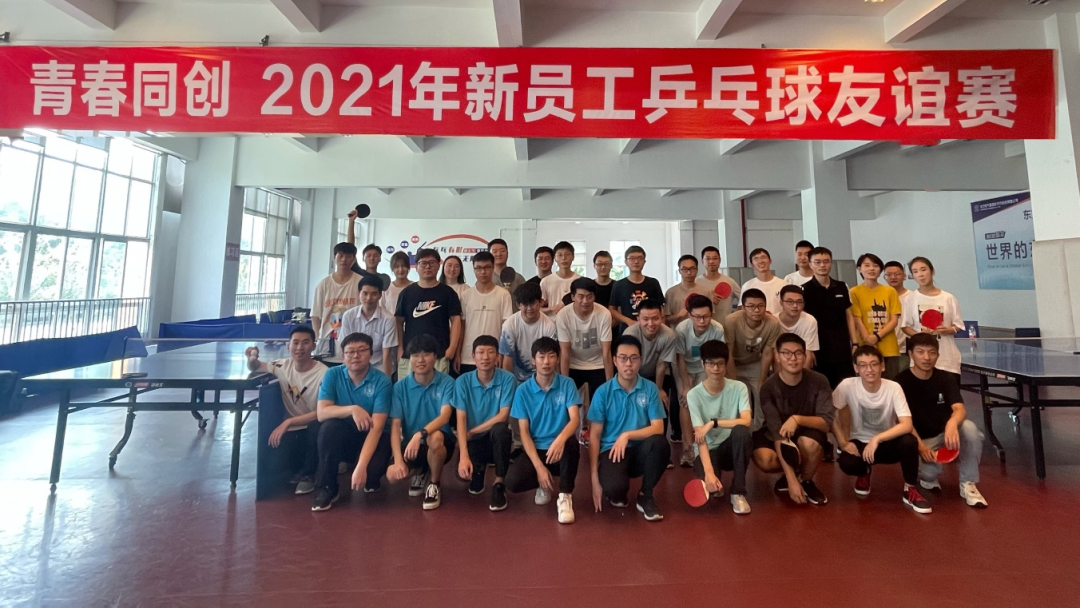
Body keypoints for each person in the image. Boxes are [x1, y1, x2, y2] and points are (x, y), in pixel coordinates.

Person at [832, 345, 931, 514]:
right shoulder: (847, 386)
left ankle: (910, 489)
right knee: (847, 463)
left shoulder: (893, 387)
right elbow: (830, 413)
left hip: (887, 443)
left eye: (874, 364)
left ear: (882, 366)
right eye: (863, 365)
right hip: (860, 442)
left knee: (909, 442)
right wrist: (843, 442)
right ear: (856, 368)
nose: (869, 370)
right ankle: (864, 472)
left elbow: (906, 424)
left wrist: (877, 439)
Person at [896, 333, 988, 508]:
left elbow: (959, 409)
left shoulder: (946, 378)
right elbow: (902, 422)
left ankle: (968, 483)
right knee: (929, 474)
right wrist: (921, 447)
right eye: (920, 352)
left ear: (938, 355)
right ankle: (928, 476)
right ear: (911, 354)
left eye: (931, 352)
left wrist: (952, 423)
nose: (926, 357)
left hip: (945, 434)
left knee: (969, 429)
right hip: (921, 439)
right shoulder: (900, 383)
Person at [309, 332, 394, 511]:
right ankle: (328, 487)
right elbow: (322, 413)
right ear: (343, 356)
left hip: (372, 434)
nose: (355, 356)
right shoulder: (332, 374)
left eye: (361, 350)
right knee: (327, 428)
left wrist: (362, 466)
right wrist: (353, 409)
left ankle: (361, 466)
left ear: (371, 354)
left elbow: (377, 428)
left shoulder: (382, 381)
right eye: (350, 352)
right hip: (345, 431)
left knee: (371, 477)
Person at [587, 335, 669, 521]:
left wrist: (627, 435)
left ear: (640, 360)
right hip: (612, 450)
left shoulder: (650, 389)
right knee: (615, 490)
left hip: (640, 450)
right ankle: (614, 486)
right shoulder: (603, 392)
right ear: (615, 360)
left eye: (634, 358)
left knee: (660, 444)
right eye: (623, 358)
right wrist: (594, 480)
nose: (628, 364)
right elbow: (594, 436)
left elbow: (658, 428)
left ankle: (645, 495)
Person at [505, 337, 582, 524]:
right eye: (541, 357)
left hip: (560, 448)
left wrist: (560, 440)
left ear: (558, 359)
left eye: (551, 356)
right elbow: (524, 432)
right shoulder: (523, 391)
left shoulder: (567, 384)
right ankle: (543, 485)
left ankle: (565, 496)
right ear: (533, 360)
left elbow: (575, 420)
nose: (546, 362)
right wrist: (539, 467)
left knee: (572, 443)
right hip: (536, 449)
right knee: (513, 482)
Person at [245, 326, 327, 496]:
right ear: (288, 346)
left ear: (313, 345)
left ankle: (309, 475)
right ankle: (301, 466)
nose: (300, 347)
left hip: (314, 427)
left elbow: (322, 412)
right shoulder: (282, 365)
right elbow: (255, 367)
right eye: (295, 343)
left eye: (305, 342)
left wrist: (288, 422)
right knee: (274, 466)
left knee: (317, 428)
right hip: (292, 431)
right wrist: (251, 357)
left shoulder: (325, 373)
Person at [751, 333, 832, 506]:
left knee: (809, 444)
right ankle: (794, 473)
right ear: (778, 356)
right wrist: (790, 479)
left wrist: (797, 419)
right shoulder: (768, 387)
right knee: (764, 459)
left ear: (805, 355)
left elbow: (826, 423)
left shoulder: (819, 380)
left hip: (806, 432)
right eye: (786, 353)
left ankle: (806, 480)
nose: (793, 358)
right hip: (777, 434)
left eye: (798, 353)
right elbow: (777, 434)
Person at [387, 335, 457, 510]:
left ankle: (434, 484)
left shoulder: (447, 382)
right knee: (392, 475)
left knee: (435, 437)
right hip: (412, 445)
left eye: (426, 354)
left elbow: (445, 416)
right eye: (415, 355)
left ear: (435, 357)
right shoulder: (400, 387)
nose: (421, 360)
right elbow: (395, 426)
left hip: (441, 442)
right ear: (410, 358)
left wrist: (420, 434)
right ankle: (421, 471)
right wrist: (398, 460)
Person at [687, 340, 753, 515]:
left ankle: (738, 492)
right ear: (703, 364)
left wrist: (714, 423)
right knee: (713, 490)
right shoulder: (693, 395)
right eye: (710, 363)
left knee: (742, 432)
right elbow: (700, 437)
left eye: (720, 363)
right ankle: (714, 477)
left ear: (726, 364)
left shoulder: (739, 388)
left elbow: (746, 421)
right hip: (708, 450)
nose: (715, 368)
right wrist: (709, 473)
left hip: (729, 448)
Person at [454, 335, 518, 511]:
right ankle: (479, 470)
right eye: (480, 352)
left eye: (490, 352)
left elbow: (503, 416)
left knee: (501, 430)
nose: (485, 357)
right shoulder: (462, 382)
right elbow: (461, 419)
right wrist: (463, 456)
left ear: (497, 356)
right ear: (473, 356)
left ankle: (499, 484)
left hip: (494, 438)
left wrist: (473, 431)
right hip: (473, 441)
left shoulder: (507, 379)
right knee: (463, 476)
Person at [674, 294, 728, 466]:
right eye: (697, 317)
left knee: (705, 400)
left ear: (712, 314)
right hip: (685, 367)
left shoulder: (717, 329)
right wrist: (686, 386)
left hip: (706, 367)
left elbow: (719, 356)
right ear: (689, 315)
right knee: (685, 401)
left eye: (706, 316)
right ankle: (688, 447)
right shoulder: (682, 329)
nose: (702, 321)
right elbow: (680, 358)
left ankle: (706, 446)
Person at [394, 248, 462, 379]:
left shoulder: (448, 293)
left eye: (432, 263)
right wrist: (400, 348)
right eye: (423, 263)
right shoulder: (406, 293)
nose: (427, 267)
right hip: (410, 354)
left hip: (439, 354)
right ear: (416, 267)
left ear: (438, 265)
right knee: (408, 390)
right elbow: (398, 322)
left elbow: (456, 320)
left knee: (438, 390)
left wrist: (452, 348)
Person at [722, 288, 783, 431]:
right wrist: (733, 379)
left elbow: (767, 353)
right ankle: (739, 430)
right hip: (733, 363)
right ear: (743, 308)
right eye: (751, 306)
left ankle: (759, 430)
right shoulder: (731, 321)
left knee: (762, 393)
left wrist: (762, 380)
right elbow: (728, 352)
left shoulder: (773, 324)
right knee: (738, 396)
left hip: (754, 362)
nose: (756, 310)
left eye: (760, 306)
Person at [900, 257, 964, 385]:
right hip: (920, 362)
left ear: (932, 271)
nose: (920, 274)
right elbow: (905, 326)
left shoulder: (948, 298)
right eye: (915, 271)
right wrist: (920, 336)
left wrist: (949, 330)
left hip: (947, 359)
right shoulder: (909, 299)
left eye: (923, 269)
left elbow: (958, 325)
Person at [803, 246, 859, 389]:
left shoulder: (841, 287)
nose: (822, 265)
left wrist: (855, 343)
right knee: (821, 388)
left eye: (826, 261)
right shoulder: (804, 289)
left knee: (846, 387)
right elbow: (803, 321)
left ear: (831, 263)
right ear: (810, 264)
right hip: (818, 349)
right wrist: (807, 349)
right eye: (817, 262)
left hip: (842, 348)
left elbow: (849, 315)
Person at [622, 300, 677, 443]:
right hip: (634, 374)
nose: (651, 324)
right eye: (645, 319)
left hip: (656, 375)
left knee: (660, 405)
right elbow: (629, 363)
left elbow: (661, 364)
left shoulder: (669, 335)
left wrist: (658, 389)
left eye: (655, 318)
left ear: (661, 318)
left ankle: (659, 444)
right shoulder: (630, 334)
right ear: (638, 319)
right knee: (635, 407)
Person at [556, 278, 614, 415]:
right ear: (572, 297)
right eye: (580, 296)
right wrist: (565, 384)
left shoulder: (604, 314)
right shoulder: (563, 315)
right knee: (566, 406)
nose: (585, 301)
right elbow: (565, 353)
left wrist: (610, 385)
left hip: (598, 364)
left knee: (601, 406)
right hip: (573, 364)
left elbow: (606, 352)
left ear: (594, 297)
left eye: (589, 296)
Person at [457, 251, 513, 376]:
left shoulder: (503, 294)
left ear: (493, 268)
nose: (483, 272)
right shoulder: (466, 295)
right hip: (468, 357)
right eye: (478, 268)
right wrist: (458, 354)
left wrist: (501, 353)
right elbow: (462, 327)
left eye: (487, 267)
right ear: (473, 269)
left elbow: (506, 329)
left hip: (493, 356)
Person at [850, 253, 903, 379]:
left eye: (875, 265)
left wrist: (876, 337)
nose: (871, 269)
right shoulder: (854, 292)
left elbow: (894, 320)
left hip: (889, 347)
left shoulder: (890, 291)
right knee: (867, 382)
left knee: (891, 382)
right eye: (867, 265)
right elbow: (857, 319)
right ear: (859, 269)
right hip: (865, 347)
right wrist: (868, 340)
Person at [340, 275, 398, 378]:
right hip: (355, 367)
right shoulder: (348, 316)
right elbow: (346, 348)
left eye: (374, 294)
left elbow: (387, 354)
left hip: (379, 368)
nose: (369, 298)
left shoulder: (388, 319)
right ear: (359, 293)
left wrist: (386, 381)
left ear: (380, 295)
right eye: (365, 293)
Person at [312, 242, 362, 360]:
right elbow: (315, 315)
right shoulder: (323, 285)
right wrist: (318, 338)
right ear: (334, 257)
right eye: (340, 255)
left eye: (348, 256)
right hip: (327, 345)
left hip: (354, 344)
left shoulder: (360, 282)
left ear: (354, 259)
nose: (344, 260)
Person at [499, 282, 558, 382]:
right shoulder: (509, 325)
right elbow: (507, 358)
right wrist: (509, 384)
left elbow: (551, 357)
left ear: (540, 303)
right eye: (525, 304)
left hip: (542, 379)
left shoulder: (549, 326)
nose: (530, 308)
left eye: (533, 303)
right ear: (518, 305)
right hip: (516, 379)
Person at [608, 245, 665, 330]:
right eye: (632, 258)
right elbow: (612, 310)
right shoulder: (619, 285)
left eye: (640, 258)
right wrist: (628, 321)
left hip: (651, 328)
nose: (636, 261)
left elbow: (661, 307)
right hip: (627, 329)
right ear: (626, 262)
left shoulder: (653, 283)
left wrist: (661, 325)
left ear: (644, 261)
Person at [345, 208, 392, 289]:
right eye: (368, 255)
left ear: (380, 258)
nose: (372, 258)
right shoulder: (357, 272)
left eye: (375, 255)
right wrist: (351, 221)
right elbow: (350, 247)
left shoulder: (384, 278)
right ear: (363, 258)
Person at [776, 284, 819, 370]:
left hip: (800, 360)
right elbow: (773, 353)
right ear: (781, 303)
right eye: (790, 302)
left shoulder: (810, 320)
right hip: (779, 362)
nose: (795, 306)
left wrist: (802, 376)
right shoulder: (774, 321)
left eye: (799, 302)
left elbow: (808, 353)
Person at [696, 246, 740, 325]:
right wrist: (708, 299)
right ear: (702, 261)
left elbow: (744, 301)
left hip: (725, 327)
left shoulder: (730, 281)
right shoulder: (696, 282)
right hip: (703, 326)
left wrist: (734, 316)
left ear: (719, 260)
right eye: (708, 259)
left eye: (715, 258)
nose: (711, 261)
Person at [884, 260, 914, 371]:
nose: (893, 277)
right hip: (885, 346)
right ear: (884, 277)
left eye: (897, 274)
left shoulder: (912, 297)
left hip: (905, 349)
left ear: (904, 276)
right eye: (889, 275)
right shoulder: (881, 296)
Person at [664, 254, 710, 326]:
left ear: (697, 269)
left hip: (701, 331)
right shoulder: (670, 293)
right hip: (677, 332)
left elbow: (710, 316)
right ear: (679, 271)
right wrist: (678, 316)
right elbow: (665, 319)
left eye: (692, 269)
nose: (689, 273)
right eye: (684, 269)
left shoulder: (705, 292)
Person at [740, 248, 788, 317]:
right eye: (756, 259)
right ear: (752, 265)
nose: (761, 261)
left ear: (770, 261)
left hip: (779, 322)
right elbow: (743, 310)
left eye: (763, 257)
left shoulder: (784, 285)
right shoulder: (747, 286)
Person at [540, 241, 581, 316]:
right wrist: (551, 308)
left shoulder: (580, 280)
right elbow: (537, 308)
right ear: (555, 258)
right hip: (553, 321)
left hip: (574, 321)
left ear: (573, 257)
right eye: (560, 255)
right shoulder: (546, 281)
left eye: (567, 254)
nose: (564, 258)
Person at [489, 239, 526, 306]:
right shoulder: (486, 278)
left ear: (507, 254)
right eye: (495, 251)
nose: (499, 254)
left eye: (502, 251)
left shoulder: (518, 278)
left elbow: (527, 301)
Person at [382, 251, 414, 326]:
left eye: (403, 266)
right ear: (392, 268)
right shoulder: (386, 288)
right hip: (390, 328)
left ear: (408, 267)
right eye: (397, 266)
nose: (400, 270)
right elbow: (382, 311)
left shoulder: (415, 287)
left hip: (411, 328)